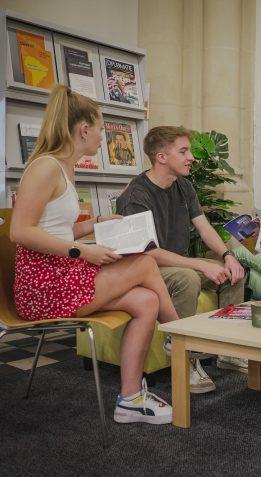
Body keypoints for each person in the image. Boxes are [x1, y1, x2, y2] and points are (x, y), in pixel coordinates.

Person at [10, 84, 178, 425]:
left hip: (59, 274)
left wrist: (96, 224)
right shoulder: (45, 167)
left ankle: (129, 399)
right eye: (100, 129)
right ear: (83, 129)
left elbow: (53, 232)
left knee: (146, 301)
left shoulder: (64, 169)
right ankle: (180, 334)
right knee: (145, 261)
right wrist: (83, 251)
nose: (103, 136)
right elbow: (20, 232)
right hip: (42, 287)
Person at [116, 126, 246, 391]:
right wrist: (199, 263)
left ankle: (227, 349)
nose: (192, 158)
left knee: (233, 274)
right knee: (187, 277)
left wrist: (227, 255)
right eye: (183, 151)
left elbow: (204, 227)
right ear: (162, 157)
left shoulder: (184, 186)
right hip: (145, 269)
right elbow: (146, 252)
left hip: (174, 265)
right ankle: (181, 354)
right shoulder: (136, 196)